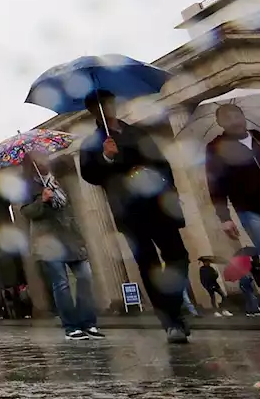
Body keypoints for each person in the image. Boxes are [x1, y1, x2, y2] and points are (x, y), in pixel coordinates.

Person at [80, 90, 191, 344]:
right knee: (148, 263)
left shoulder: (138, 133)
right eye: (99, 106)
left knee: (178, 255)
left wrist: (170, 189)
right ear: (92, 112)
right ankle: (171, 322)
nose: (106, 109)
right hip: (128, 208)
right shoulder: (92, 143)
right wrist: (106, 156)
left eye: (108, 103)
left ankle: (173, 306)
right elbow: (89, 175)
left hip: (157, 202)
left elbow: (162, 163)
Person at [19, 148, 103, 340]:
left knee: (85, 277)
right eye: (39, 158)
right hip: (48, 241)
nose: (44, 160)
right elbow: (26, 212)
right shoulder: (27, 186)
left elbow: (67, 207)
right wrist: (42, 200)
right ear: (31, 163)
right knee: (61, 283)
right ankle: (71, 327)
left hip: (70, 237)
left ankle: (88, 323)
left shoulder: (56, 180)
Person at [207, 103, 260, 280]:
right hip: (252, 211)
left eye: (236, 116)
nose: (234, 121)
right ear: (220, 123)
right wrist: (224, 217)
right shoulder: (216, 147)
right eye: (227, 118)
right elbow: (216, 183)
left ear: (243, 116)